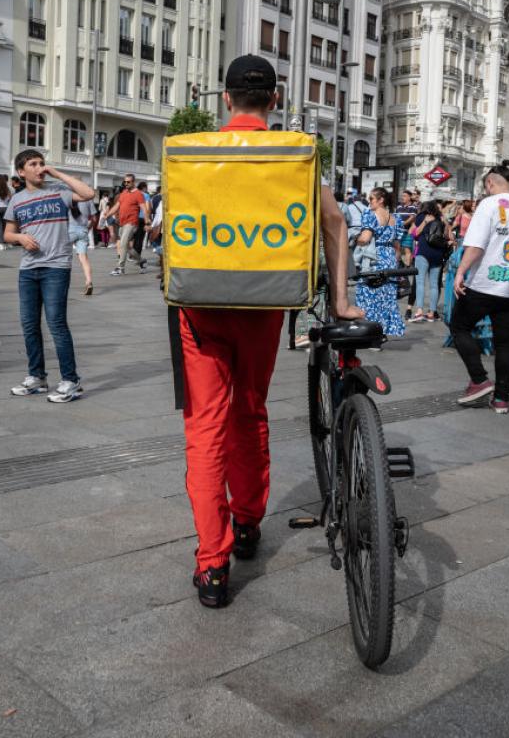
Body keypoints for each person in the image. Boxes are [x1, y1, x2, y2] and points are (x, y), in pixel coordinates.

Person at [178, 55, 361, 608]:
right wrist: (341, 300)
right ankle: (248, 522)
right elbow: (335, 223)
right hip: (264, 305)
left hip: (201, 308)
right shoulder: (294, 154)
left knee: (205, 430)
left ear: (225, 99)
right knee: (250, 410)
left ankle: (213, 566)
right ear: (274, 101)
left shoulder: (196, 152)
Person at [4, 150, 96, 401]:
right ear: (21, 172)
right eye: (33, 164)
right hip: (28, 269)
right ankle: (37, 377)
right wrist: (20, 237)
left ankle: (71, 380)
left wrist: (56, 173)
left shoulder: (59, 191)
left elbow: (89, 194)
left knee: (56, 324)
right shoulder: (17, 199)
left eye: (41, 163)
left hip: (56, 267)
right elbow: (7, 234)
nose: (39, 167)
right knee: (29, 324)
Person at [448, 160, 509, 414]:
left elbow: (476, 245)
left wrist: (461, 271)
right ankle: (501, 399)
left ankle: (479, 380)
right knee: (505, 342)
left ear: (490, 183)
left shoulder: (489, 204)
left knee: (459, 326)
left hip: (485, 282)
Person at [352, 186, 406, 341]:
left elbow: (365, 238)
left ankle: (370, 333)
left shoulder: (370, 215)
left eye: (371, 199)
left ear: (381, 200)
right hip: (390, 259)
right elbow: (397, 246)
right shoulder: (395, 218)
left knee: (369, 295)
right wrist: (395, 262)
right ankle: (381, 332)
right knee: (386, 297)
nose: (369, 202)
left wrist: (354, 239)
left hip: (375, 258)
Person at [407, 201, 448, 323]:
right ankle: (431, 313)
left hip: (424, 252)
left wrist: (425, 222)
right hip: (438, 254)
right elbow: (446, 236)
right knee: (434, 285)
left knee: (420, 282)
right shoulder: (441, 218)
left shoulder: (421, 216)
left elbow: (415, 233)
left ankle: (419, 312)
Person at [105, 174, 149, 275]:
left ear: (133, 182)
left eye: (128, 182)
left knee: (123, 244)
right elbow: (117, 205)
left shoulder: (138, 194)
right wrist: (108, 214)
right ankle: (142, 261)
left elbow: (144, 208)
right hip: (122, 223)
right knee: (127, 247)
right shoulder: (124, 193)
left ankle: (120, 268)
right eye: (125, 182)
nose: (126, 184)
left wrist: (147, 221)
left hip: (132, 223)